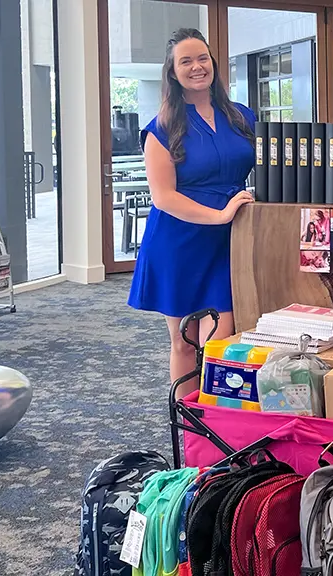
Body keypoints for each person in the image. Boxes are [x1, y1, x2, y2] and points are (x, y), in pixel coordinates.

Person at [127, 28, 258, 399]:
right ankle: (188, 426)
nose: (197, 67)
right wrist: (219, 216)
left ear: (213, 64)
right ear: (173, 72)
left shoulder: (241, 117)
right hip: (179, 239)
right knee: (185, 340)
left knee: (222, 338)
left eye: (202, 58)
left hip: (230, 240)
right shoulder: (163, 127)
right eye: (186, 61)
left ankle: (220, 420)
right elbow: (164, 197)